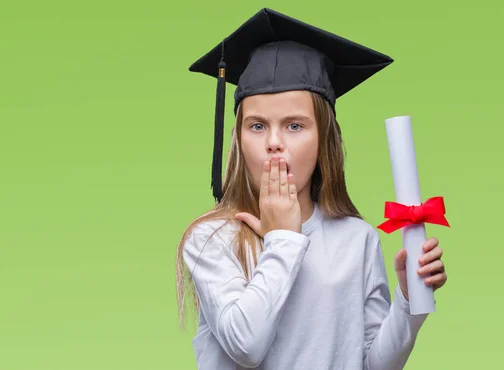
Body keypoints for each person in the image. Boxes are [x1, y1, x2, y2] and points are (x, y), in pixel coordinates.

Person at [175, 8, 448, 370]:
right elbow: (246, 345)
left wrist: (410, 300)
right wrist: (283, 238)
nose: (274, 142)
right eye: (257, 126)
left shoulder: (357, 239)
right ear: (239, 139)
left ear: (323, 140)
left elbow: (372, 364)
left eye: (294, 126)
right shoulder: (212, 238)